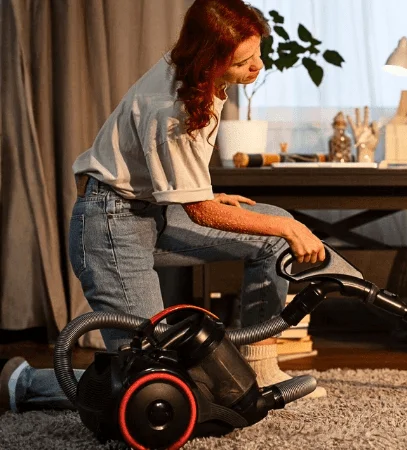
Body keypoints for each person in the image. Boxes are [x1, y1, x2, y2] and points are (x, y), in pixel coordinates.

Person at [0, 0, 326, 414]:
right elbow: (200, 212)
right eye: (244, 61)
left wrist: (201, 193)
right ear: (209, 59)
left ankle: (261, 369)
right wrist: (283, 228)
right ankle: (25, 383)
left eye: (258, 53)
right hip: (111, 226)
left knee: (271, 230)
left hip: (151, 211)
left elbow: (172, 175)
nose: (257, 67)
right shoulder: (170, 107)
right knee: (158, 377)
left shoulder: (195, 76)